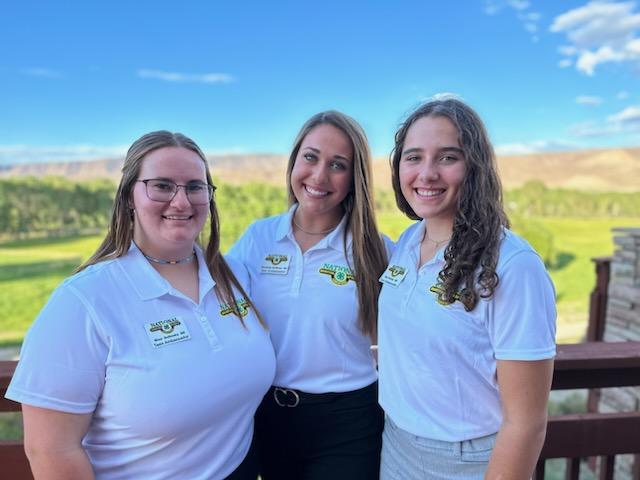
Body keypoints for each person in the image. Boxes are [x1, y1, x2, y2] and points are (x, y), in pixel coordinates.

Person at [6, 131, 276, 480]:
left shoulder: (234, 275)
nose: (181, 202)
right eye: (162, 186)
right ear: (129, 197)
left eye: (195, 187)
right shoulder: (82, 302)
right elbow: (51, 449)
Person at [377, 97, 556, 479]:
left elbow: (526, 423)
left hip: (469, 462)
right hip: (395, 445)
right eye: (413, 157)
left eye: (447, 157)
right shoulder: (407, 243)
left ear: (474, 166)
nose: (426, 173)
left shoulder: (513, 265)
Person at [228, 111, 390, 479]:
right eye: (311, 157)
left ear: (355, 178)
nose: (319, 176)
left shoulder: (376, 250)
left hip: (348, 422)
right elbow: (210, 297)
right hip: (268, 416)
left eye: (338, 165)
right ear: (294, 161)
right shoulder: (258, 238)